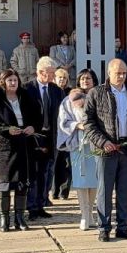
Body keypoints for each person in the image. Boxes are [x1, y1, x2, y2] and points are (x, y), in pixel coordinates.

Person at [84, 59, 127, 242]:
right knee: (104, 190)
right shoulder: (96, 93)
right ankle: (104, 227)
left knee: (124, 190)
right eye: (117, 73)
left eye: (124, 73)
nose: (121, 76)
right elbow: (88, 122)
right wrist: (102, 141)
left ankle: (123, 226)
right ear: (109, 73)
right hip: (106, 148)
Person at [0, 69, 41, 232]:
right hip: (5, 147)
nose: (13, 83)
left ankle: (20, 218)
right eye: (10, 80)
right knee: (5, 184)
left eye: (15, 80)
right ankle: (4, 218)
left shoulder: (26, 96)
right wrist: (6, 130)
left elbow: (37, 116)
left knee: (22, 183)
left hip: (24, 144)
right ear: (3, 82)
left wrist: (32, 127)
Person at [24, 57, 64, 218]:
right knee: (33, 173)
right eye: (50, 73)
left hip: (50, 136)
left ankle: (41, 203)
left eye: (54, 73)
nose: (53, 76)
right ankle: (31, 206)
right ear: (40, 72)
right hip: (33, 136)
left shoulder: (56, 90)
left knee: (46, 172)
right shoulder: (27, 89)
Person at [58, 88, 98, 230]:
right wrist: (77, 125)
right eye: (82, 79)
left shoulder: (95, 98)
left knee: (94, 181)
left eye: (88, 79)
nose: (85, 82)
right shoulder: (66, 102)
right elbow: (63, 122)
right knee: (81, 181)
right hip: (77, 145)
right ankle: (84, 215)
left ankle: (91, 214)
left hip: (94, 144)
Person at [52, 67, 73, 202]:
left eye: (64, 78)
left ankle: (64, 191)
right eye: (60, 77)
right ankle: (54, 190)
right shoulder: (52, 91)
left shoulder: (70, 93)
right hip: (55, 131)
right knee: (55, 163)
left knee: (67, 163)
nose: (62, 80)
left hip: (67, 132)